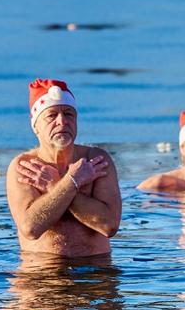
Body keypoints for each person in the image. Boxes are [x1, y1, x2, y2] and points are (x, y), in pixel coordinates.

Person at [6, 79, 121, 257]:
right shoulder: (25, 166)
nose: (62, 121)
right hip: (42, 275)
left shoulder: (95, 160)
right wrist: (71, 182)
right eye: (52, 115)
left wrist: (55, 185)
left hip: (97, 272)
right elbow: (30, 228)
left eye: (69, 114)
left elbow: (109, 225)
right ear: (35, 125)